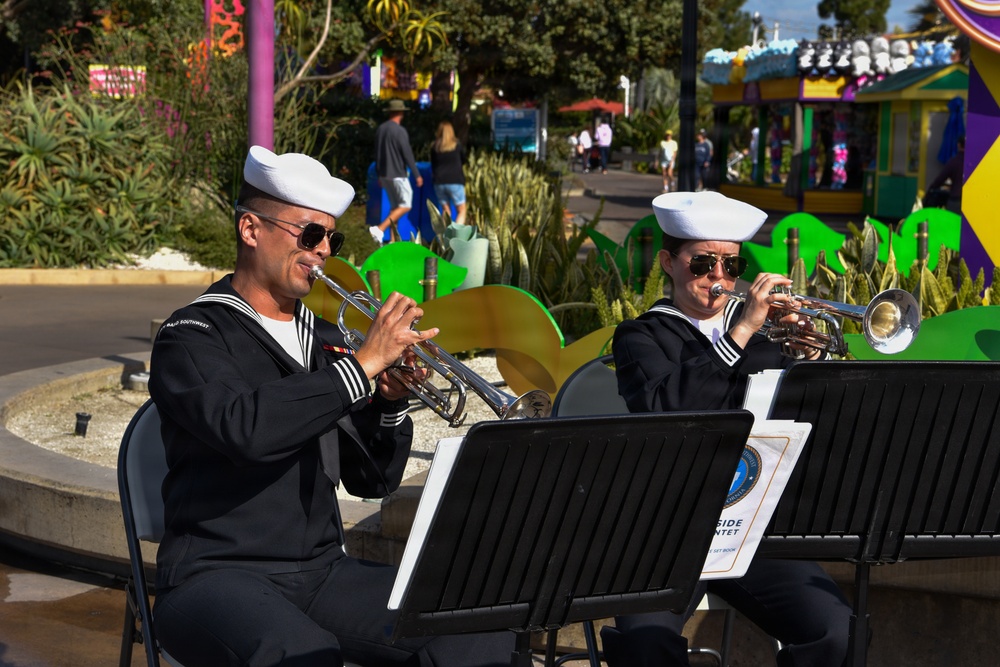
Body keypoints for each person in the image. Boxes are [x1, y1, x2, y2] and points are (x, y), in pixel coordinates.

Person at [148, 145, 514, 667]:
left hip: (321, 573)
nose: (324, 250)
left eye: (331, 238)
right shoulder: (192, 335)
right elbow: (244, 429)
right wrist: (360, 370)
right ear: (251, 230)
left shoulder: (325, 340)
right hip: (215, 574)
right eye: (309, 234)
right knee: (301, 655)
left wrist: (390, 404)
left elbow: (373, 482)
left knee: (471, 625)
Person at [601, 191, 853, 667]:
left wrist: (811, 358)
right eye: (703, 264)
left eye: (730, 266)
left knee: (836, 630)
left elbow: (821, 420)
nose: (718, 278)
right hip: (664, 530)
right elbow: (668, 407)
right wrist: (741, 333)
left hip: (749, 529)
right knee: (644, 646)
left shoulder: (766, 340)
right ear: (668, 263)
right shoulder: (642, 335)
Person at [372, 98, 423, 244]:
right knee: (406, 205)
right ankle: (380, 229)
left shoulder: (381, 129)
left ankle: (393, 243)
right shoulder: (400, 131)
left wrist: (379, 175)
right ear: (401, 112)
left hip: (385, 175)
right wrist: (417, 174)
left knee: (395, 209)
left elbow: (377, 153)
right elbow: (407, 154)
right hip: (398, 174)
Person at [430, 120, 467, 225]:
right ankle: (457, 236)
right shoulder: (457, 145)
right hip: (455, 181)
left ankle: (444, 237)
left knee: (446, 212)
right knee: (461, 210)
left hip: (439, 182)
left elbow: (433, 164)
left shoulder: (435, 147)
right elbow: (464, 160)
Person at [927, 134, 965, 214]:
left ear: (958, 145)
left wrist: (931, 189)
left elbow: (940, 179)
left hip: (956, 200)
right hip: (971, 202)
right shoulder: (974, 163)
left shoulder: (954, 162)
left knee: (953, 225)